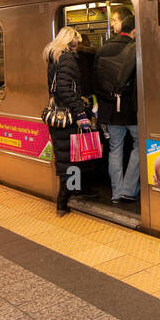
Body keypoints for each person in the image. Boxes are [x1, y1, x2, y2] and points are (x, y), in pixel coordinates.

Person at [44, 26, 94, 215]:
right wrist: (80, 113)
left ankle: (74, 191)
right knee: (70, 159)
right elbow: (64, 89)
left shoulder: (55, 58)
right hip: (67, 118)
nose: (78, 44)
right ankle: (63, 202)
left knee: (68, 157)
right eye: (77, 41)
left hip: (58, 117)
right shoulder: (67, 58)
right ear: (71, 41)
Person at [94, 6, 140, 205]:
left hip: (109, 111)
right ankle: (128, 190)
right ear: (134, 31)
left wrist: (110, 97)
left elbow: (95, 83)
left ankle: (115, 192)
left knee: (115, 149)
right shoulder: (135, 49)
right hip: (131, 110)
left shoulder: (102, 49)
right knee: (139, 146)